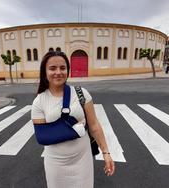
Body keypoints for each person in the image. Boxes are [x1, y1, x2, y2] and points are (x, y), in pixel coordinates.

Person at [31, 51, 115, 188]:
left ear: (67, 70)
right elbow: (42, 136)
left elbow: (94, 126)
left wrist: (106, 153)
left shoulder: (81, 94)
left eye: (62, 68)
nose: (58, 72)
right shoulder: (39, 102)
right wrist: (73, 131)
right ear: (44, 72)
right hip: (55, 163)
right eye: (52, 68)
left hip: (82, 159)